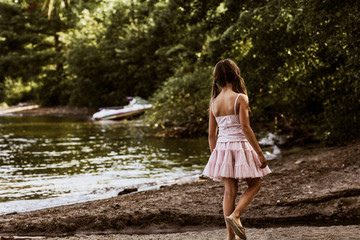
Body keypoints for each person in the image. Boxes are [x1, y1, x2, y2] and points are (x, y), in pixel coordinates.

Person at [202, 59, 271, 240]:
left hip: (222, 148)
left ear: (217, 78)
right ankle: (236, 215)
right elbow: (245, 128)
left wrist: (216, 157)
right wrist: (260, 154)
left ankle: (230, 237)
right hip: (240, 146)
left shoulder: (214, 102)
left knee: (229, 191)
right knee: (255, 184)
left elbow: (211, 135)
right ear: (235, 75)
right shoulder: (241, 98)